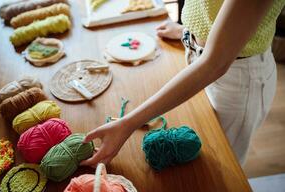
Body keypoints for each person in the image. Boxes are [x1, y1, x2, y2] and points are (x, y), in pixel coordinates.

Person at [81, 0, 285, 166]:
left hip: (235, 80)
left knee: (223, 168)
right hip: (200, 57)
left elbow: (215, 63)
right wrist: (187, 31)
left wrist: (128, 124)